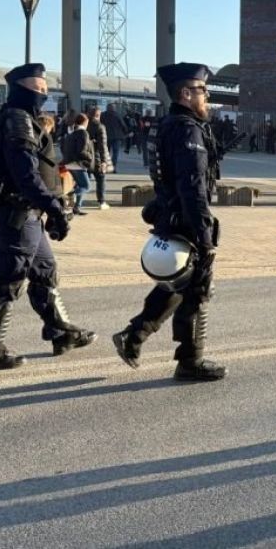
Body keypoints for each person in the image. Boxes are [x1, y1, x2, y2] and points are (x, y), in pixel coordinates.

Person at [0, 63, 95, 370]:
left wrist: (49, 208)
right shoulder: (17, 121)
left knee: (45, 270)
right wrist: (54, 207)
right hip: (17, 212)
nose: (44, 94)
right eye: (39, 89)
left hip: (28, 213)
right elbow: (26, 174)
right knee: (9, 278)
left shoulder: (14, 118)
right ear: (23, 89)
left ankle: (60, 331)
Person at [111, 63, 228, 382]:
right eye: (204, 92)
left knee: (179, 283)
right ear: (186, 93)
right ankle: (190, 361)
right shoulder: (188, 129)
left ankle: (134, 336)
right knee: (197, 289)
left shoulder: (167, 124)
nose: (208, 98)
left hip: (171, 212)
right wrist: (205, 236)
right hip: (186, 218)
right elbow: (193, 186)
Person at [59, 113, 94, 215]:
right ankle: (69, 196)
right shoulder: (83, 133)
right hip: (78, 164)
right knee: (86, 186)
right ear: (85, 122)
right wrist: (90, 156)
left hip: (69, 163)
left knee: (79, 185)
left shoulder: (71, 133)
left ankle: (76, 207)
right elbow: (81, 151)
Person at [87, 107, 112, 209]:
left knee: (82, 180)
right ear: (98, 115)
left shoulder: (84, 124)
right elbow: (103, 145)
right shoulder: (100, 126)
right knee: (101, 179)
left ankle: (76, 200)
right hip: (96, 157)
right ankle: (101, 202)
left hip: (83, 157)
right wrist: (104, 161)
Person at [101, 103, 128, 170]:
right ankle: (113, 166)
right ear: (114, 108)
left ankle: (106, 166)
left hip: (106, 136)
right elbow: (123, 125)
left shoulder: (103, 115)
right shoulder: (117, 115)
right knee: (115, 152)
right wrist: (125, 133)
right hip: (117, 137)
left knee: (106, 152)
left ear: (107, 108)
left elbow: (100, 124)